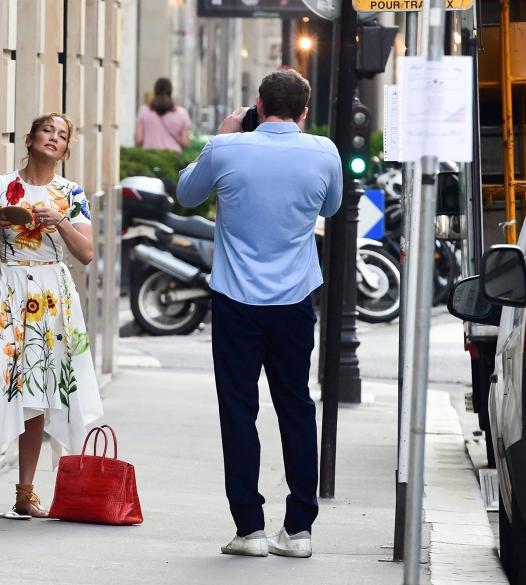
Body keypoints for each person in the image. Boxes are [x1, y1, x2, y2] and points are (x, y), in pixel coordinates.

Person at [176, 70, 343, 558]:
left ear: (257, 103)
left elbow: (186, 194)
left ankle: (249, 529)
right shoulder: (325, 152)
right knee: (296, 408)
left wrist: (222, 137)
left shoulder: (228, 148)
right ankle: (299, 530)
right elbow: (330, 207)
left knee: (238, 412)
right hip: (293, 301)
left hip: (236, 302)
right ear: (304, 111)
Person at [0, 113, 103, 519]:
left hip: (53, 296)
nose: (53, 138)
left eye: (62, 135)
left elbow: (87, 253)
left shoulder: (71, 193)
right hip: (7, 288)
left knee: (40, 388)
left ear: (66, 149)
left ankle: (26, 490)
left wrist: (60, 225)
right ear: (30, 138)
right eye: (47, 130)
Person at [135, 78, 191, 152]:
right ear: (171, 91)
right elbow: (185, 142)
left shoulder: (144, 110)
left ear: (155, 91)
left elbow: (139, 139)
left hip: (149, 158)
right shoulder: (182, 113)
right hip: (173, 158)